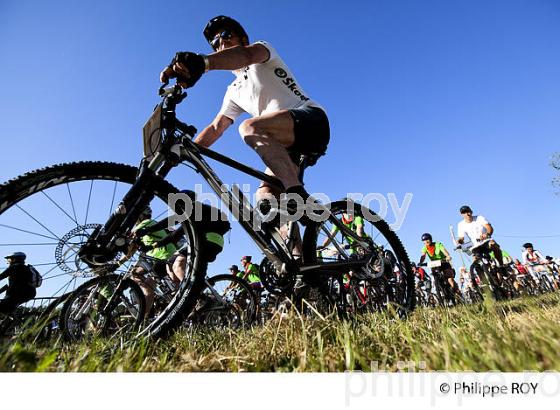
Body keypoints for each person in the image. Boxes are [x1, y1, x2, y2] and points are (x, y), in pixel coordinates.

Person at [159, 15, 330, 224]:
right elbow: (216, 127)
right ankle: (295, 248)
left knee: (250, 127)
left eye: (226, 35)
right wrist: (185, 150)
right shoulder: (233, 91)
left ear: (243, 38)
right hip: (285, 146)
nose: (221, 43)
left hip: (311, 120)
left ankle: (298, 197)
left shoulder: (261, 51)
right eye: (215, 43)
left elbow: (245, 55)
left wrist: (202, 62)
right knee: (266, 198)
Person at [456, 205, 506, 283]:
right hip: (476, 246)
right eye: (464, 213)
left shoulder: (479, 218)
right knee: (475, 261)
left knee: (493, 244)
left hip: (485, 241)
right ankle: (484, 282)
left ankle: (501, 265)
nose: (467, 214)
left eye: (468, 211)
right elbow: (461, 238)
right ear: (461, 214)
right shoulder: (460, 224)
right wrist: (459, 241)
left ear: (471, 211)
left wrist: (487, 233)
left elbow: (489, 227)